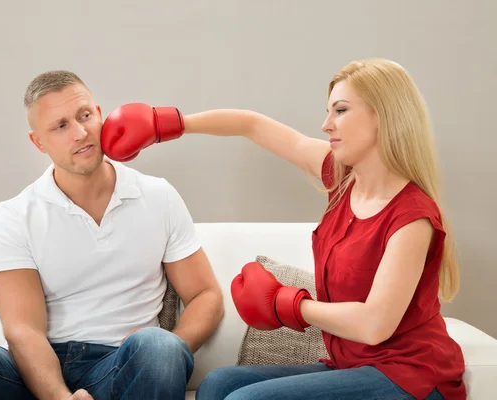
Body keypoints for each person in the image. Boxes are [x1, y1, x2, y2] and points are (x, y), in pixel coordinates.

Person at [98, 58, 466, 399]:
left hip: (410, 375)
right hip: (351, 365)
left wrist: (289, 304)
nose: (326, 125)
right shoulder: (342, 180)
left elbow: (374, 325)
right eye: (328, 112)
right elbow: (251, 125)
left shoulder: (412, 217)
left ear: (382, 116)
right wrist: (168, 124)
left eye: (340, 110)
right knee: (217, 384)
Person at [0, 70, 224, 400]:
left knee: (160, 345)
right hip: (34, 368)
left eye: (84, 116)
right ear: (39, 141)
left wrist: (168, 349)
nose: (80, 133)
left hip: (120, 366)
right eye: (61, 126)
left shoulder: (158, 196)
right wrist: (58, 397)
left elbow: (205, 295)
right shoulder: (15, 215)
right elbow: (23, 328)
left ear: (99, 115)